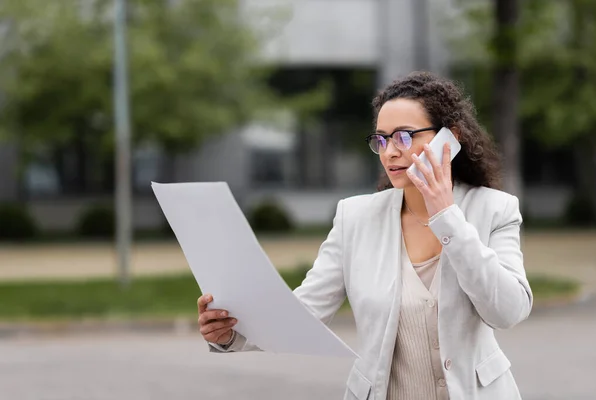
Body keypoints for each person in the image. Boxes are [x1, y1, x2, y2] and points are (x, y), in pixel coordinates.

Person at [197, 71, 533, 400]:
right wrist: (233, 332)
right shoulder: (355, 217)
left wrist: (448, 217)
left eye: (404, 136)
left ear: (451, 137)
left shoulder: (495, 209)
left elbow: (507, 311)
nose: (389, 152)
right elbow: (305, 311)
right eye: (382, 139)